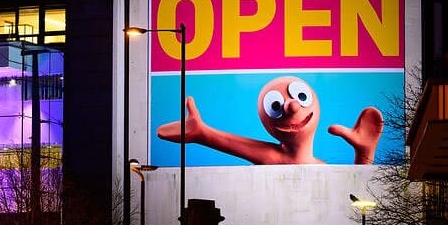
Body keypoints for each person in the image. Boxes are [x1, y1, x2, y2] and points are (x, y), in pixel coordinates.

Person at [156, 76, 383, 164]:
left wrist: (365, 153)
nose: (292, 106)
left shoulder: (322, 167)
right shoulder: (274, 157)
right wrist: (203, 133)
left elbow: (354, 201)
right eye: (275, 105)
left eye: (301, 96)